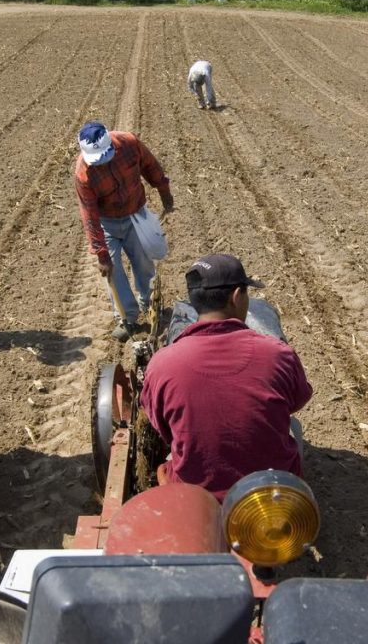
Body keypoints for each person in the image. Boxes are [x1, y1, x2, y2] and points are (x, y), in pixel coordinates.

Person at [140, 254, 313, 502]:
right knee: (293, 426)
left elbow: (162, 428)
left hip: (197, 502)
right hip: (269, 500)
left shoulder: (161, 365)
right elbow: (297, 401)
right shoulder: (278, 354)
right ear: (236, 296)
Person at [74, 121, 174, 341]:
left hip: (135, 213)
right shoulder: (83, 173)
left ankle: (149, 304)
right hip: (107, 222)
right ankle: (127, 317)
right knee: (113, 270)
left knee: (143, 261)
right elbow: (89, 215)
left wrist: (164, 191)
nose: (100, 164)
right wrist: (101, 254)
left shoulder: (129, 143)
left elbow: (151, 166)